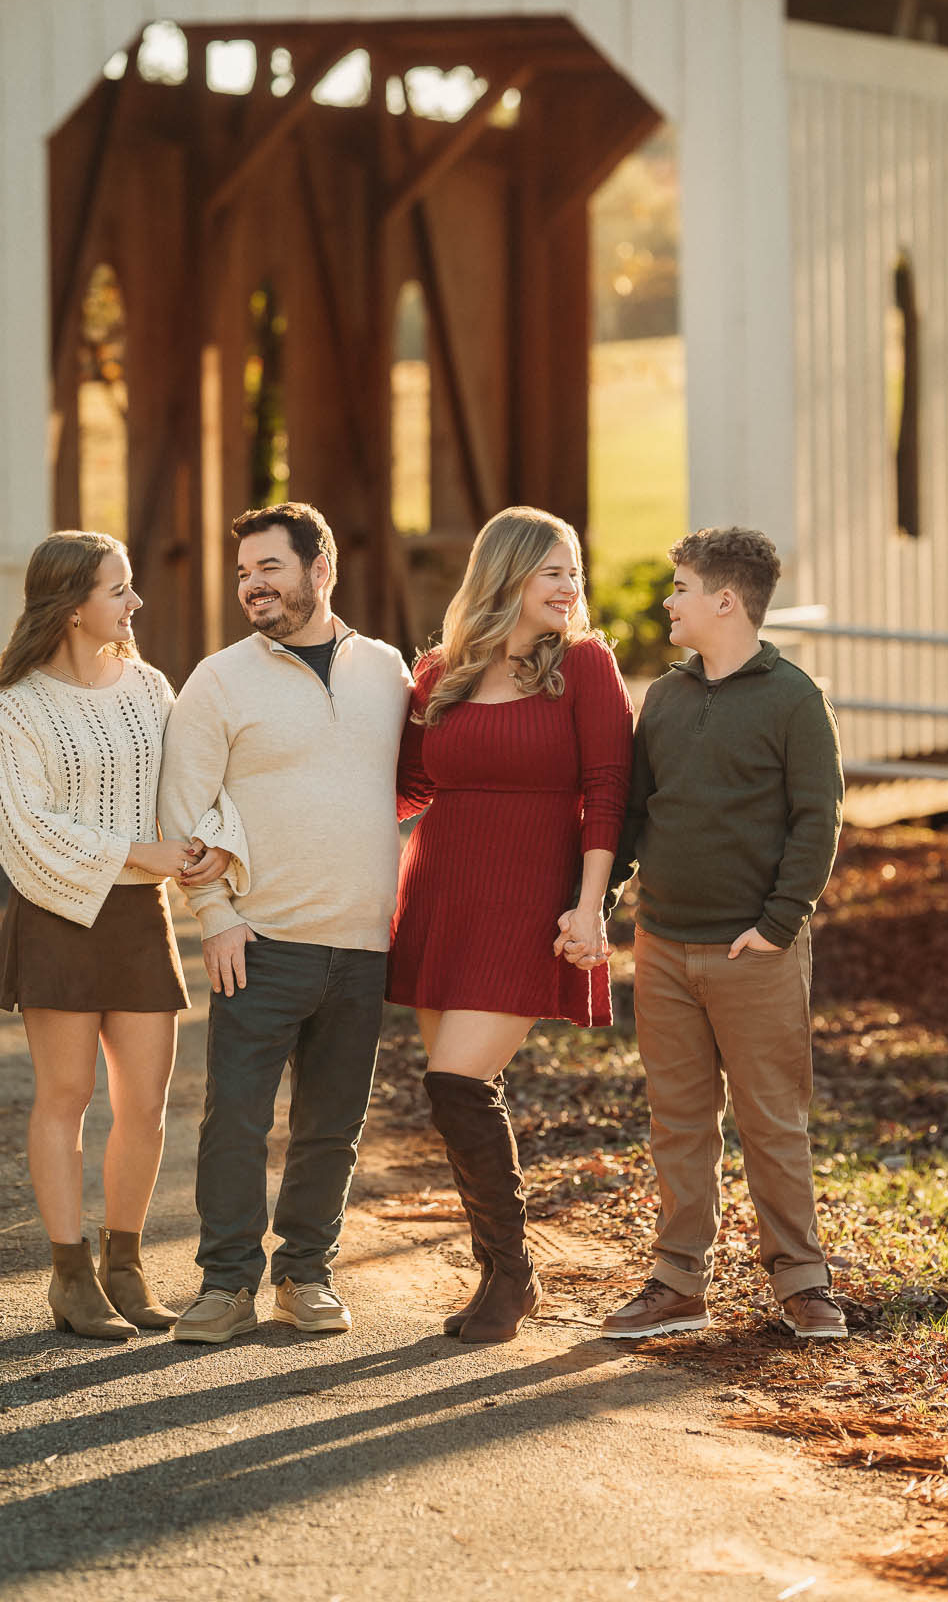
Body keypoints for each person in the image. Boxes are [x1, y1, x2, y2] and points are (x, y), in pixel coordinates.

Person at [0, 530, 248, 1341]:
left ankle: (123, 1266)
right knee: (66, 1099)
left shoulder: (148, 686)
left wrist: (210, 840)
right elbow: (24, 828)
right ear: (71, 606)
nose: (135, 603)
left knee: (147, 1102)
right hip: (58, 918)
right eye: (118, 590)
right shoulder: (18, 704)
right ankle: (69, 1277)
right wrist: (138, 851)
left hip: (137, 919)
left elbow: (191, 780)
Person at [159, 502, 412, 1345]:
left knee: (331, 1127)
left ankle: (306, 1274)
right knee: (234, 1118)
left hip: (363, 942)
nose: (251, 585)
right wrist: (216, 917)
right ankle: (225, 1284)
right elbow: (184, 813)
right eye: (243, 572)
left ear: (320, 568)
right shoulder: (218, 679)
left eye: (268, 567)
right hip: (259, 942)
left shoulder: (387, 671)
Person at [389, 507, 634, 1343]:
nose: (570, 588)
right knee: (460, 1090)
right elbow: (402, 788)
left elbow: (608, 789)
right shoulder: (440, 672)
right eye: (552, 572)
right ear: (506, 576)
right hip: (439, 895)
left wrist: (591, 902)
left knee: (456, 1080)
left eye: (574, 572)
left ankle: (509, 1276)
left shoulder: (585, 666)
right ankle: (500, 1273)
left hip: (531, 900)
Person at [602, 526, 847, 1342]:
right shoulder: (664, 698)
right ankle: (677, 1282)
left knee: (770, 1119)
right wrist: (602, 903)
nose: (666, 601)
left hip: (755, 950)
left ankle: (801, 1280)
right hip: (662, 944)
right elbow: (637, 812)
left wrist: (778, 926)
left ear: (724, 600)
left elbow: (818, 821)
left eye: (678, 588)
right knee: (677, 1119)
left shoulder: (792, 699)